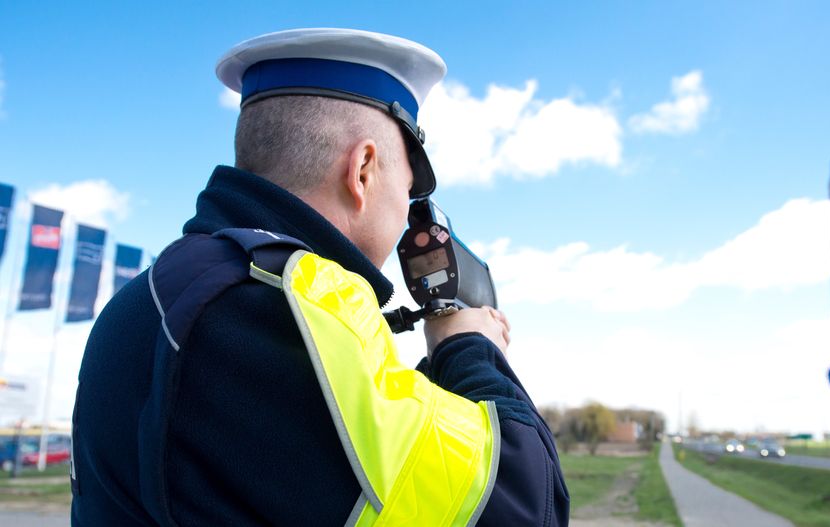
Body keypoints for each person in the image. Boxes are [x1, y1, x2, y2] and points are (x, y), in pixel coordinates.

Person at [71, 28, 568, 526]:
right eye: (407, 189)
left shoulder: (154, 292)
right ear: (364, 170)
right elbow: (525, 504)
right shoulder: (287, 304)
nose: (404, 215)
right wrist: (471, 350)